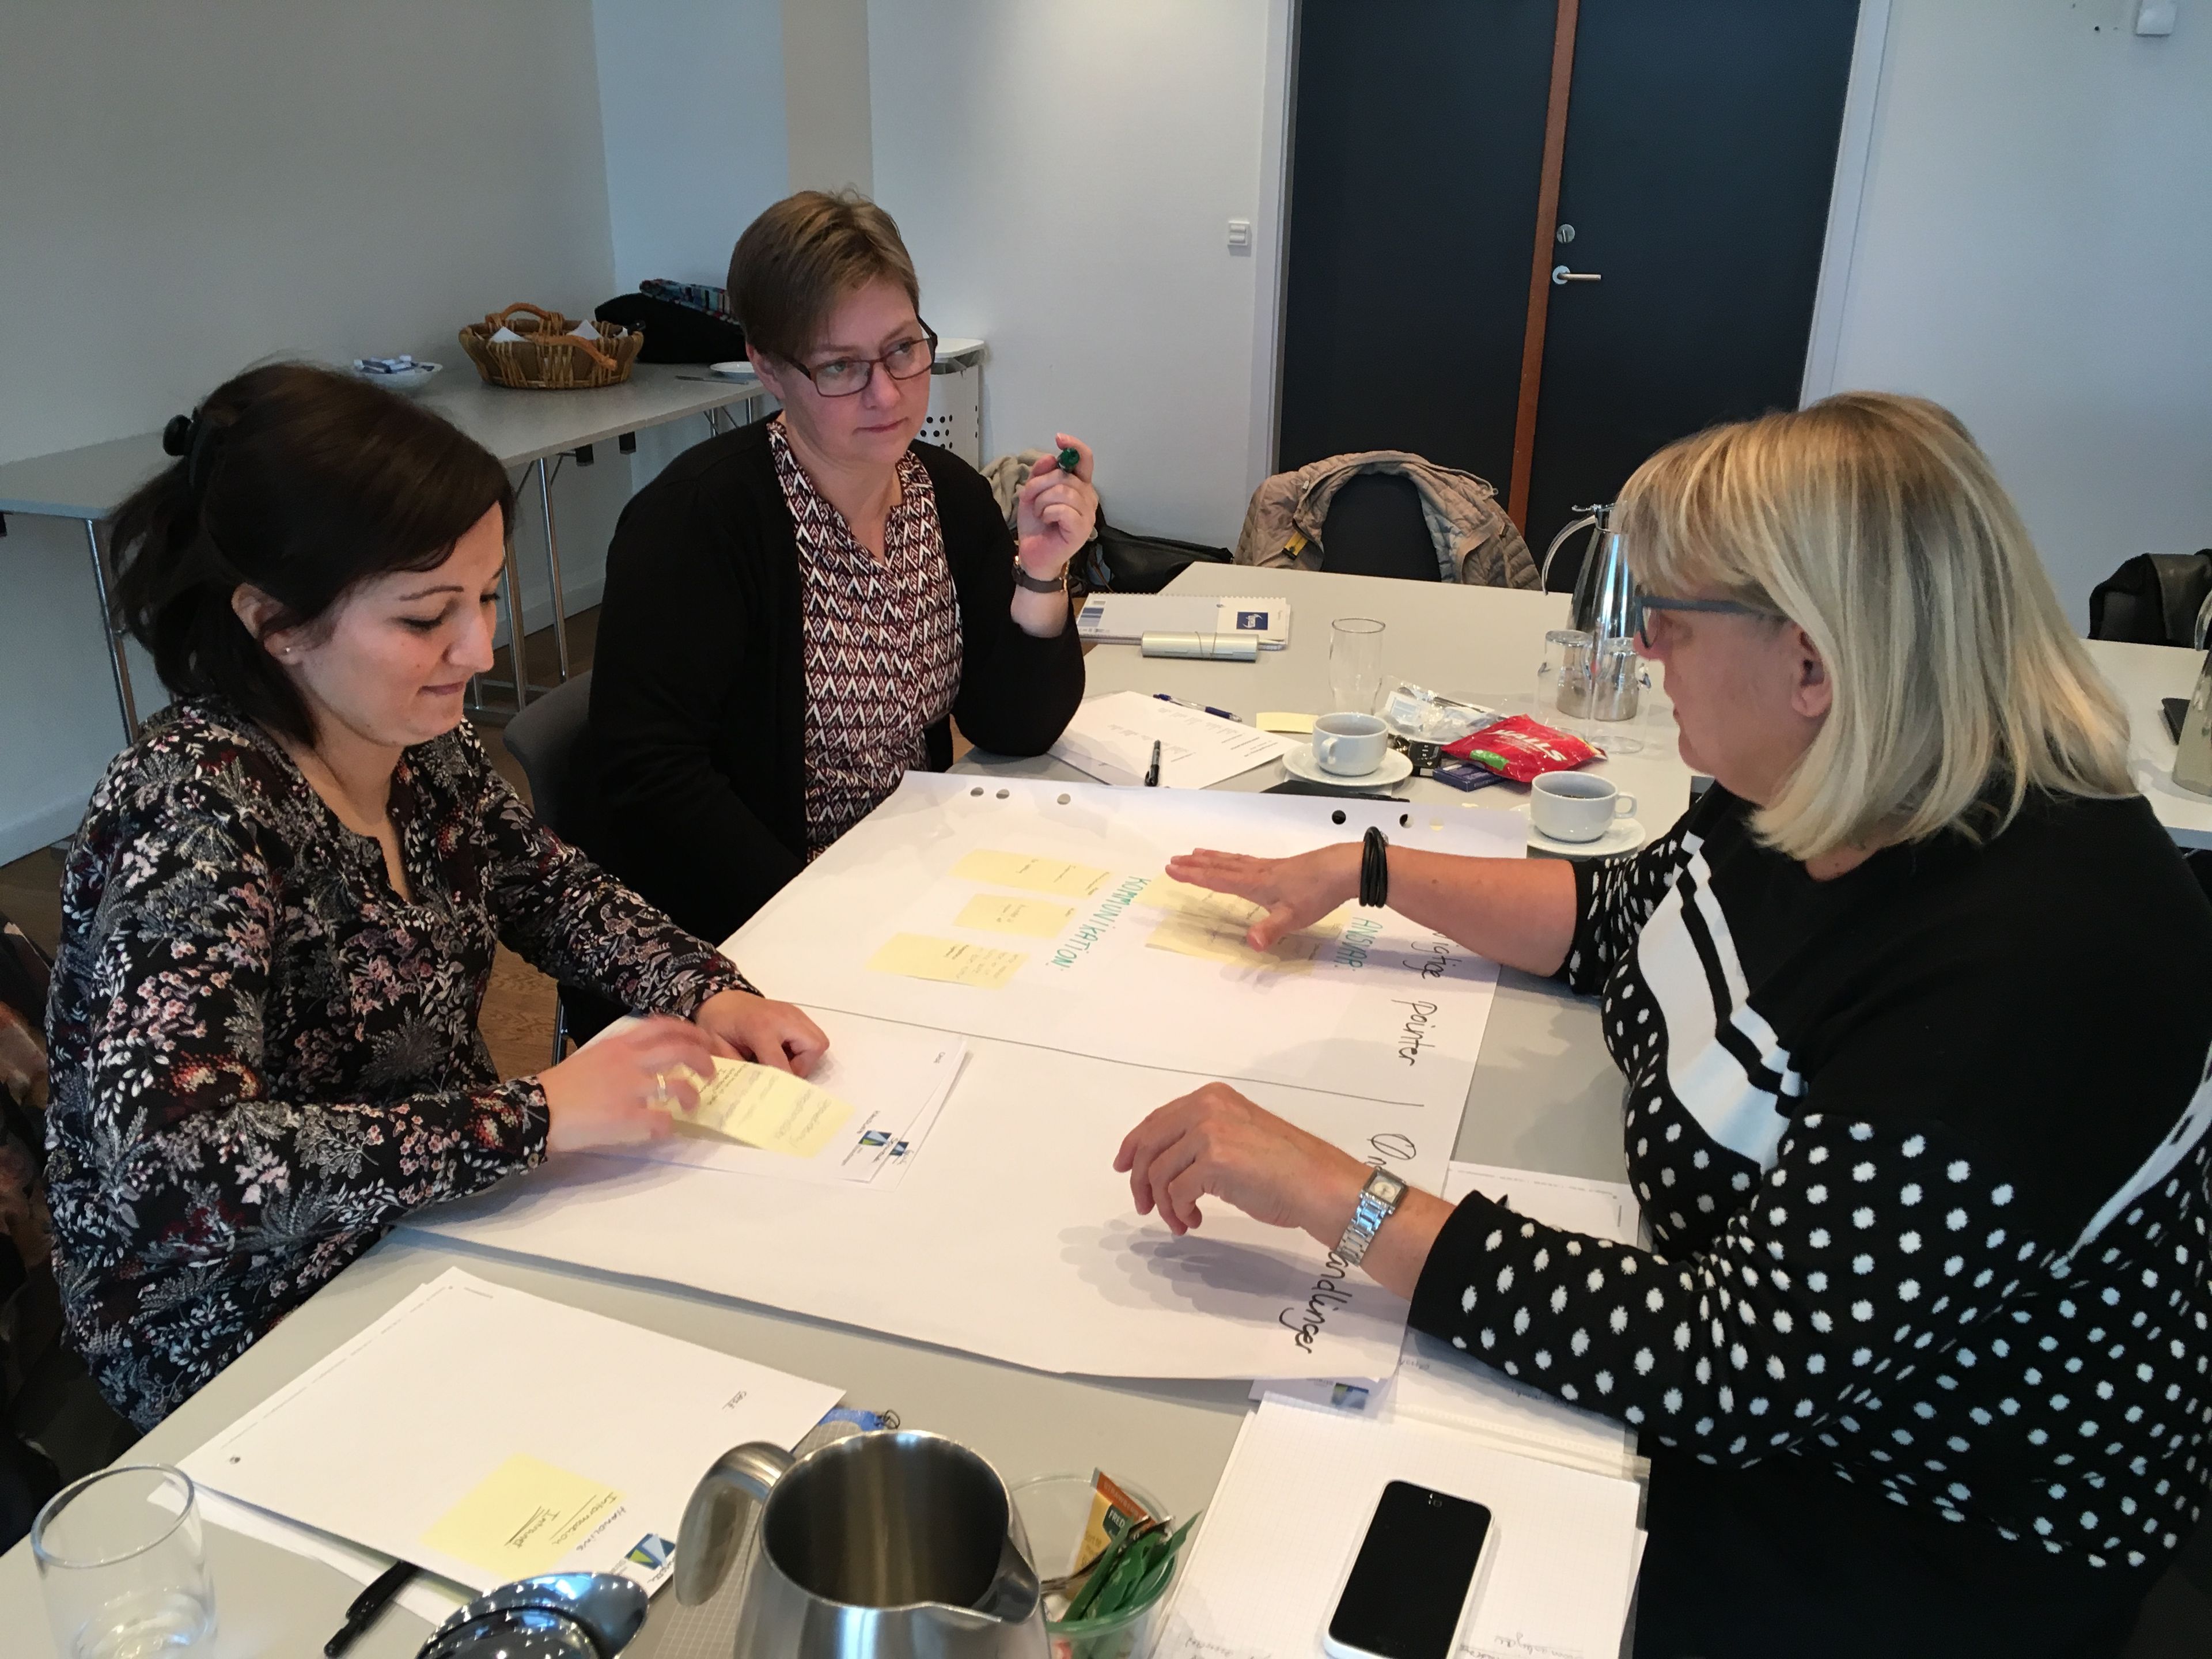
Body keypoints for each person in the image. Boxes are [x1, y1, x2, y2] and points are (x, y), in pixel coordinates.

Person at [1113, 393, 2212, 1657]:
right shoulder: (1834, 772)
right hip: (1767, 1403)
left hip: (1917, 1534)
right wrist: (1372, 869)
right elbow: (1634, 915)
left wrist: (1335, 1194)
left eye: (1672, 621)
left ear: (1812, 662)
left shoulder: (2040, 967)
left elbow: (1735, 1372)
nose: (1642, 652)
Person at [44, 364, 827, 1430]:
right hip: (249, 1326)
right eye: (425, 619)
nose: (481, 650)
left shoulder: (415, 742)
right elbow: (178, 1174)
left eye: (488, 596)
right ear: (274, 623)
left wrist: (704, 988)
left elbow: (544, 886)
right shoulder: (191, 814)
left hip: (431, 1219)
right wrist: (536, 1115)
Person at [581, 190, 1094, 950]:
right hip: (752, 925)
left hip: (909, 877)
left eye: (903, 349)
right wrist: (823, 917)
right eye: (841, 367)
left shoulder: (947, 495)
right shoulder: (697, 523)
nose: (886, 393)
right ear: (768, 367)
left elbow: (1013, 727)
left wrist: (1042, 575)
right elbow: (653, 779)